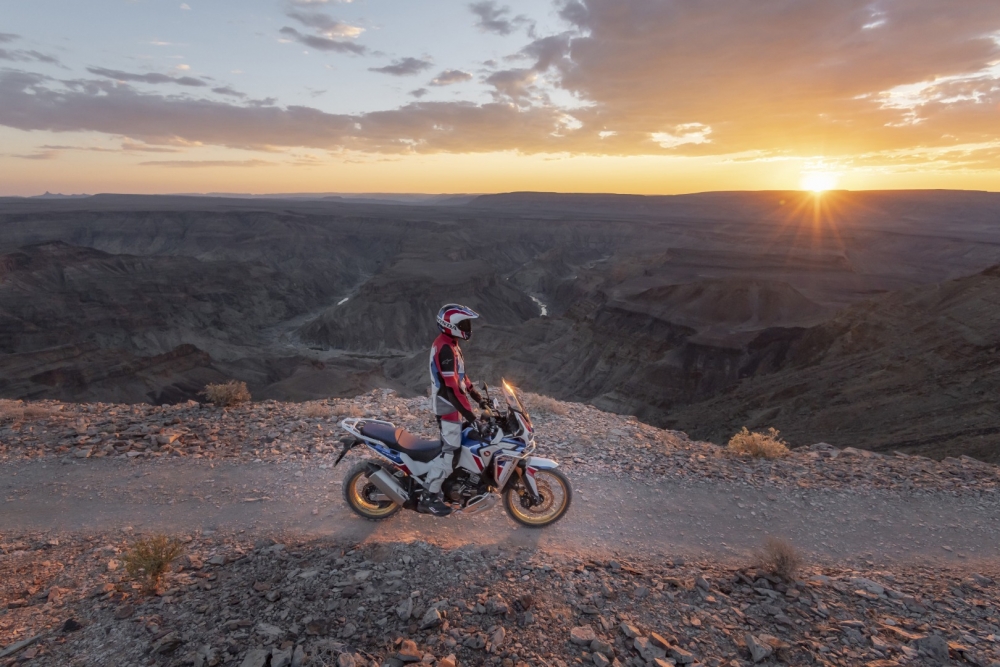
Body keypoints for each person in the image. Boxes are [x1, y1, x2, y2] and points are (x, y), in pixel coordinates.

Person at [423, 303, 485, 516]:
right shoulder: (445, 349)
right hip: (447, 406)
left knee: (464, 442)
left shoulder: (452, 344)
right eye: (464, 323)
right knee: (451, 451)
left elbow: (461, 379)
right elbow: (452, 390)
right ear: (451, 325)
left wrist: (479, 398)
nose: (468, 327)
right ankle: (429, 496)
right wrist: (472, 416)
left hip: (453, 406)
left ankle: (454, 484)